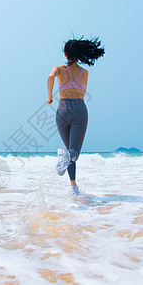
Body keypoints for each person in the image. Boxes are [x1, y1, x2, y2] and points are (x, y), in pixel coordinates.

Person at [46, 37, 105, 194]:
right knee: (73, 153)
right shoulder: (84, 73)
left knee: (69, 152)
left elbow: (50, 77)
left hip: (62, 111)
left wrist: (50, 97)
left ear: (65, 54)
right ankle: (72, 182)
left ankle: (73, 186)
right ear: (79, 55)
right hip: (79, 110)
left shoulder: (58, 69)